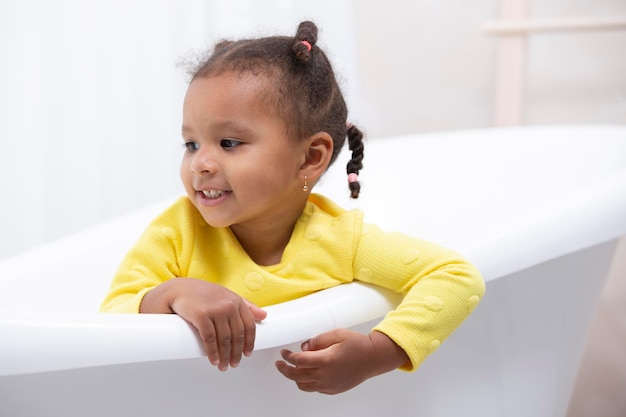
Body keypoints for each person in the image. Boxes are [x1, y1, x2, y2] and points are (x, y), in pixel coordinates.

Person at [100, 20, 485, 395]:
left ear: (309, 158)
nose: (201, 163)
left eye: (229, 143)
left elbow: (455, 277)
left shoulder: (341, 239)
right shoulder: (177, 232)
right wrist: (173, 293)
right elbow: (109, 321)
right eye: (191, 144)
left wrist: (378, 352)